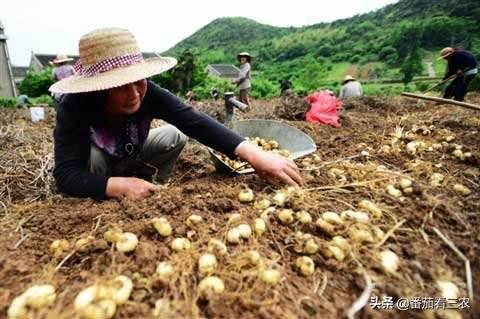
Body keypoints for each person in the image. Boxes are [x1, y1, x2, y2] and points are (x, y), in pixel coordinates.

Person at [49, 28, 302, 200]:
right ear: (100, 89)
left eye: (138, 81)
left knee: (175, 133)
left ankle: (155, 186)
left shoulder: (148, 92)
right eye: (121, 85)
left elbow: (193, 121)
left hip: (130, 151)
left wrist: (254, 154)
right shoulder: (75, 106)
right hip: (98, 164)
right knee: (92, 159)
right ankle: (111, 192)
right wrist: (117, 186)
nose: (135, 93)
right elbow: (66, 175)